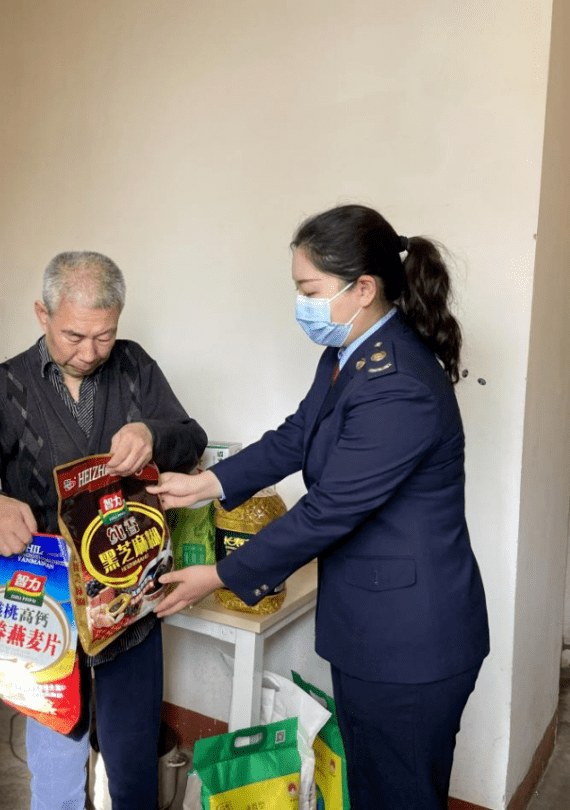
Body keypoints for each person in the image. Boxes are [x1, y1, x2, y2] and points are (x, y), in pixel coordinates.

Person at [151, 204, 489, 810]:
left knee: (402, 794)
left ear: (363, 288)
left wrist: (222, 574)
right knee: (375, 785)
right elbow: (295, 436)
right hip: (374, 628)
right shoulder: (347, 354)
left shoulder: (398, 383)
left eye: (309, 290)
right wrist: (206, 485)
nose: (301, 305)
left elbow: (329, 510)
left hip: (412, 641)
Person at [0, 250, 206, 810]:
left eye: (104, 336)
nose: (90, 353)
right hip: (48, 609)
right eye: (74, 336)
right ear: (42, 314)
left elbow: (191, 436)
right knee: (56, 759)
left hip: (129, 602)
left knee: (133, 761)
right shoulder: (3, 388)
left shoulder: (135, 367)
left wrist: (154, 435)